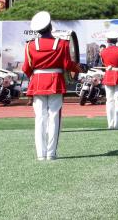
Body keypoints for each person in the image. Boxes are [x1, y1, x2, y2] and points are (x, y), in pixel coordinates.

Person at [22, 11, 82, 161]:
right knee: (54, 116)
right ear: (50, 26)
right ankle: (51, 153)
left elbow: (26, 68)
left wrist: (34, 78)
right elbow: (67, 64)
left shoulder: (30, 45)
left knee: (39, 118)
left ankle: (40, 154)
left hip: (37, 82)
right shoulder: (62, 44)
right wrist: (78, 69)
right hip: (55, 81)